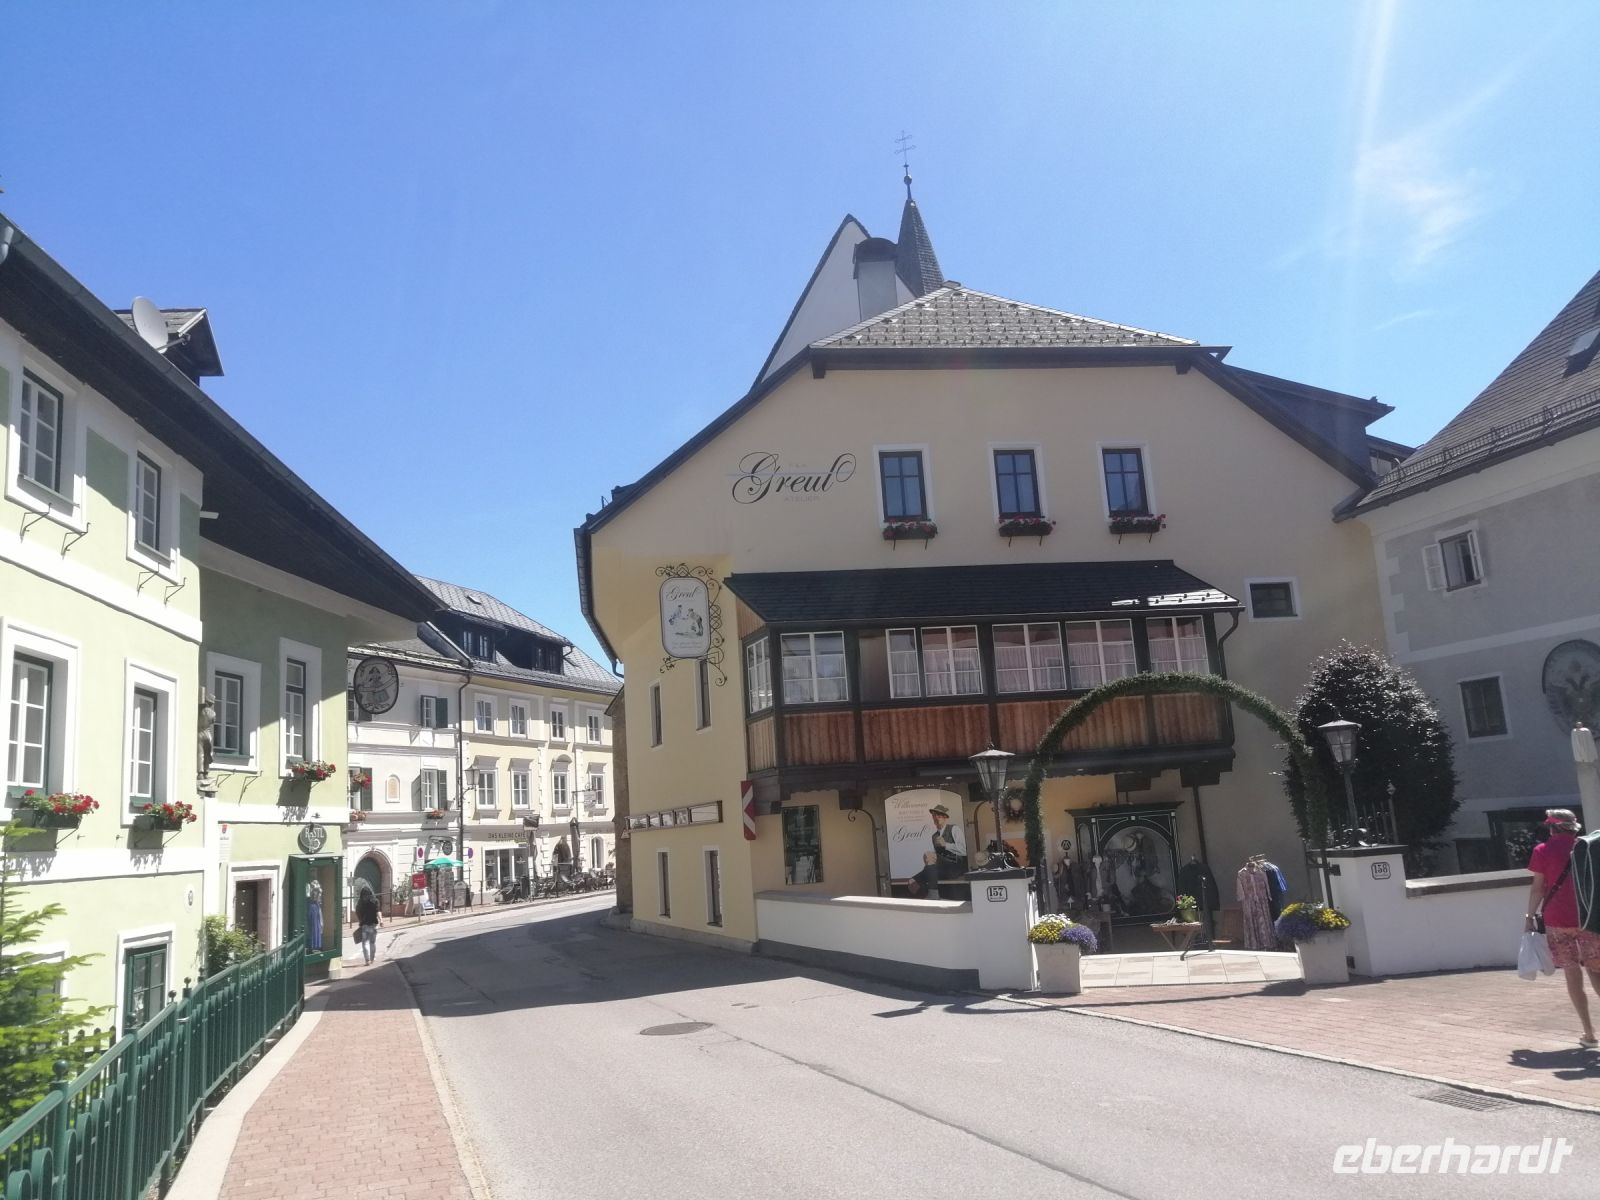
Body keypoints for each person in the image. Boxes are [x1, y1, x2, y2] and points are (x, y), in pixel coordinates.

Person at [1525, 809, 1600, 1048]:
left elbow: (1538, 888)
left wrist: (1529, 916)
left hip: (1557, 919)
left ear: (1552, 828)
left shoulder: (1542, 851)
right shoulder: (1587, 848)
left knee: (1572, 973)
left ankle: (1589, 1033)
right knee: (1596, 971)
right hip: (1588, 917)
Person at [907, 803, 966, 897]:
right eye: (934, 816)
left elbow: (963, 851)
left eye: (939, 816)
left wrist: (946, 845)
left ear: (945, 817)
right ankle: (930, 895)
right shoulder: (934, 836)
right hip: (943, 869)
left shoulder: (954, 829)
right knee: (912, 881)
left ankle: (932, 894)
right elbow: (933, 862)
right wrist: (916, 878)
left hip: (955, 867)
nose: (936, 818)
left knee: (928, 855)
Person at [355, 887, 381, 966]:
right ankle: (372, 959)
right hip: (373, 924)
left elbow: (358, 913)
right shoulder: (375, 901)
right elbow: (378, 911)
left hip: (364, 925)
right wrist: (381, 920)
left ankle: (367, 960)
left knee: (364, 943)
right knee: (372, 943)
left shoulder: (360, 903)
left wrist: (360, 921)